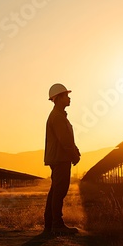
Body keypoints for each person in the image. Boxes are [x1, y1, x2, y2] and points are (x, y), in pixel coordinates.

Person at [43, 83, 81, 235]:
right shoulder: (57, 117)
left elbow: (67, 139)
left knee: (55, 191)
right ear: (58, 98)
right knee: (60, 190)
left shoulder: (59, 115)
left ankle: (50, 224)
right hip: (60, 158)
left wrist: (75, 150)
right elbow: (64, 140)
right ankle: (57, 225)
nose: (69, 98)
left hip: (59, 157)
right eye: (66, 95)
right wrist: (73, 155)